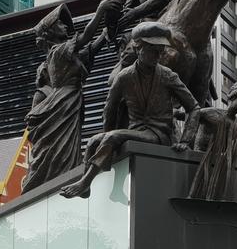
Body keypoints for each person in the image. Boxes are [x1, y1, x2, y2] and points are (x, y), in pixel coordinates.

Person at [60, 22, 200, 199]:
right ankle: (102, 190)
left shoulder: (168, 76)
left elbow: (194, 108)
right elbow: (109, 110)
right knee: (94, 141)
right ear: (138, 48)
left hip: (159, 135)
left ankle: (85, 182)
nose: (158, 55)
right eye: (153, 50)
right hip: (135, 132)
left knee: (113, 137)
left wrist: (186, 140)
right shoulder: (124, 77)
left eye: (160, 50)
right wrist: (105, 137)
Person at [22, 0, 122, 193]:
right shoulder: (57, 52)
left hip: (70, 102)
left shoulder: (67, 53)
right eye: (59, 23)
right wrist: (100, 11)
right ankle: (49, 180)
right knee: (57, 147)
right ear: (50, 32)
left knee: (69, 145)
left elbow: (89, 50)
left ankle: (66, 175)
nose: (64, 25)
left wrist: (103, 34)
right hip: (63, 102)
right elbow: (85, 38)